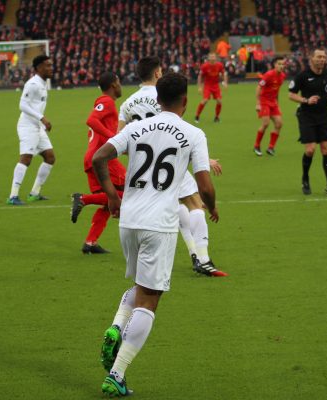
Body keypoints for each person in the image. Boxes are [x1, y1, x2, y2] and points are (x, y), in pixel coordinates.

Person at [92, 72, 219, 397]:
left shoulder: (135, 127)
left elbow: (99, 157)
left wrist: (111, 195)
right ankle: (116, 374)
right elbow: (204, 184)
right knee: (150, 300)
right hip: (158, 224)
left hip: (128, 221)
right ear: (185, 100)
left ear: (157, 98)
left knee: (139, 286)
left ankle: (117, 326)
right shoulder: (193, 133)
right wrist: (212, 206)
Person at [116, 56, 226, 277]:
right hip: (170, 164)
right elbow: (174, 132)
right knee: (195, 203)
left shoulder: (127, 103)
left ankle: (194, 253)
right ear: (157, 73)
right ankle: (203, 258)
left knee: (177, 206)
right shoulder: (162, 99)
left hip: (141, 168)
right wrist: (202, 158)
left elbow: (121, 140)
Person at [71, 72, 124, 254]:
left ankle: (90, 243)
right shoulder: (107, 102)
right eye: (118, 82)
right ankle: (83, 199)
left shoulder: (105, 103)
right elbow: (91, 120)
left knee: (109, 201)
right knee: (128, 191)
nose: (120, 85)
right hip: (102, 158)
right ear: (113, 85)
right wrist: (113, 138)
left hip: (94, 156)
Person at [288, 48, 327, 196]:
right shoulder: (302, 76)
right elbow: (291, 95)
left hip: (324, 116)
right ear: (311, 58)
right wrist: (306, 100)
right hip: (306, 116)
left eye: (324, 57)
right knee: (310, 150)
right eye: (319, 57)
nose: (322, 59)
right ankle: (305, 179)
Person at [6, 55, 55, 205]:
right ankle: (13, 196)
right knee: (26, 159)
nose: (50, 68)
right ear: (39, 68)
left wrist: (41, 122)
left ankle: (34, 193)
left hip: (37, 127)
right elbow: (22, 105)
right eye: (47, 66)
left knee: (50, 157)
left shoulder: (42, 84)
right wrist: (42, 118)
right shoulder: (33, 84)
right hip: (28, 126)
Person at [253, 57, 286, 156]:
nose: (281, 66)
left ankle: (271, 147)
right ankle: (256, 146)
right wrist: (258, 103)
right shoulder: (269, 75)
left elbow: (277, 91)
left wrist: (277, 104)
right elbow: (259, 87)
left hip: (273, 103)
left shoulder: (282, 76)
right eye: (279, 64)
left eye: (283, 64)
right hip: (264, 102)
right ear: (275, 65)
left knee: (279, 124)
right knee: (266, 124)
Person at [194, 53, 228, 123]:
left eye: (213, 56)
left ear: (216, 58)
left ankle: (217, 117)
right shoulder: (205, 66)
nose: (212, 58)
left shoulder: (219, 65)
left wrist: (225, 83)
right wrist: (200, 87)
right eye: (211, 57)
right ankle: (197, 116)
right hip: (208, 85)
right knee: (205, 100)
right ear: (209, 58)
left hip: (216, 85)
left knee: (219, 101)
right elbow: (200, 76)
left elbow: (224, 74)